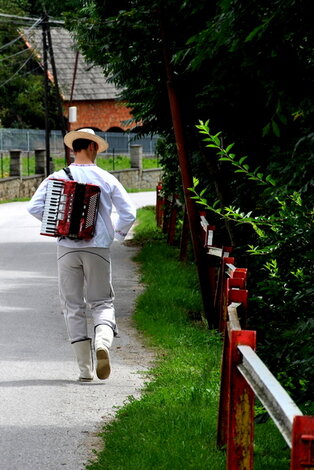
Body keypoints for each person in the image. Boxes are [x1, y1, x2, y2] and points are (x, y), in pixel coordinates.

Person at [27, 128, 136, 382]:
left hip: (66, 249)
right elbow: (129, 213)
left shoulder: (57, 177)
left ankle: (85, 370)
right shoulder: (106, 178)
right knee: (102, 302)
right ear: (93, 148)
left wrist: (58, 223)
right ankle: (102, 343)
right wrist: (116, 236)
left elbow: (34, 207)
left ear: (73, 149)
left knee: (72, 306)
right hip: (97, 249)